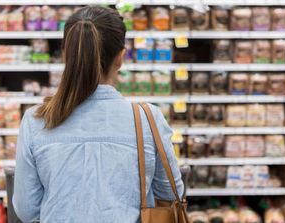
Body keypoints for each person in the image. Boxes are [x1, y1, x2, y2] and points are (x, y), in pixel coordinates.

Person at [13, 6, 184, 223]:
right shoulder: (148, 118)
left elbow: (27, 210)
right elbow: (171, 193)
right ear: (121, 57)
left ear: (66, 54)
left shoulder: (36, 120)